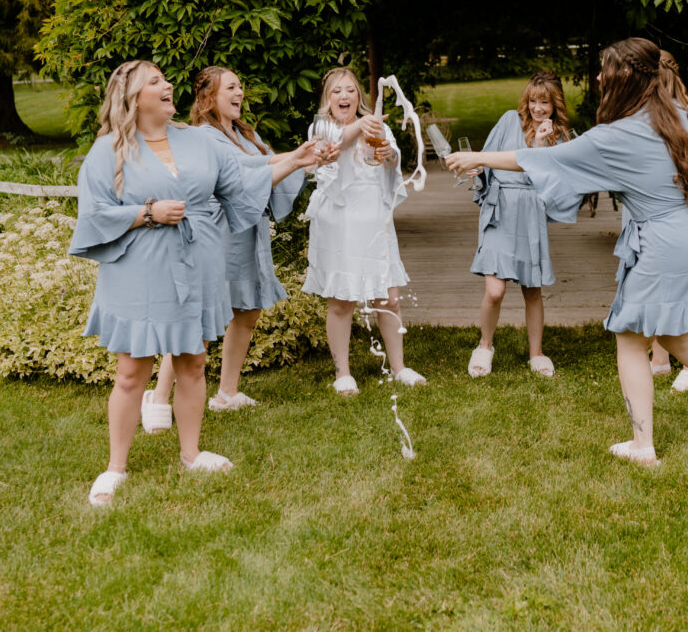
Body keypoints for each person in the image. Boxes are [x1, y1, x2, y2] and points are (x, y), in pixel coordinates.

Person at [447, 38, 688, 466]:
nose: (597, 77)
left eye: (604, 70)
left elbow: (544, 161)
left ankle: (643, 446)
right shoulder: (685, 119)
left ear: (623, 78)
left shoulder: (618, 135)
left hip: (665, 245)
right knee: (676, 337)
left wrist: (476, 156)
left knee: (629, 339)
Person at [70, 60, 317, 506]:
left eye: (165, 80)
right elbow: (92, 216)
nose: (167, 86)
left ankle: (191, 453)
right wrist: (145, 214)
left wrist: (295, 160)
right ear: (133, 97)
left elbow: (244, 183)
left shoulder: (198, 140)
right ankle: (115, 468)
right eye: (155, 82)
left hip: (198, 264)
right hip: (139, 270)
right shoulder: (108, 151)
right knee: (131, 372)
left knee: (193, 363)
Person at [140, 66, 324, 434]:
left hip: (247, 230)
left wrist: (304, 158)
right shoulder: (204, 135)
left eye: (241, 86)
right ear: (210, 96)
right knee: (200, 318)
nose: (240, 92)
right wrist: (298, 156)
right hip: (217, 232)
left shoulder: (244, 133)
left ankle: (227, 391)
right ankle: (159, 397)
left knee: (248, 309)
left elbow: (269, 161)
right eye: (231, 87)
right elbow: (247, 170)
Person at [302, 66, 426, 395]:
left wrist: (388, 155)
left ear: (359, 95)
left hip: (374, 218)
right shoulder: (322, 126)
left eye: (350, 90)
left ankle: (399, 367)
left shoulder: (374, 124)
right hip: (339, 222)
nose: (344, 96)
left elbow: (391, 164)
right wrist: (362, 124)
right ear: (327, 100)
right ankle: (343, 372)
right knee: (342, 301)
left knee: (389, 297)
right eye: (336, 91)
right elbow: (339, 143)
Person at [466, 71, 570, 379]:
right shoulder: (510, 120)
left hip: (530, 213)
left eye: (545, 102)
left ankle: (536, 354)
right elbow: (486, 158)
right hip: (500, 209)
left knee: (532, 289)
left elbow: (551, 181)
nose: (538, 108)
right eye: (534, 101)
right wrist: (476, 173)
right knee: (495, 290)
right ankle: (484, 346)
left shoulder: (559, 136)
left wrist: (540, 144)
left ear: (555, 105)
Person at [647, 51, 688, 393]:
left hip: (678, 216)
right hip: (658, 216)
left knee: (674, 289)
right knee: (660, 288)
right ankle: (660, 358)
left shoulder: (679, 121)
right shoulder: (658, 118)